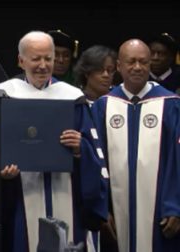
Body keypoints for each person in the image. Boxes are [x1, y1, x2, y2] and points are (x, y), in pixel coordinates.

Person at [0, 31, 108, 252]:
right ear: (21, 61)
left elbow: (92, 154)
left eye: (48, 58)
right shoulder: (3, 97)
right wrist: (0, 174)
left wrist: (80, 148)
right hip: (20, 198)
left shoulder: (73, 97)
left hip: (66, 194)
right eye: (36, 58)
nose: (43, 65)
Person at [92, 38, 180, 252]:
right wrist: (101, 208)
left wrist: (175, 207)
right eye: (131, 62)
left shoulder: (171, 105)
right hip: (115, 212)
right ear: (119, 66)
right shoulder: (103, 106)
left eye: (143, 62)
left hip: (161, 211)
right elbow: (95, 161)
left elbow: (177, 160)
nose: (138, 67)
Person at [74, 45, 118, 252]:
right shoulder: (75, 104)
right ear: (87, 72)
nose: (107, 75)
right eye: (101, 70)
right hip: (86, 195)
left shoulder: (119, 106)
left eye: (111, 70)